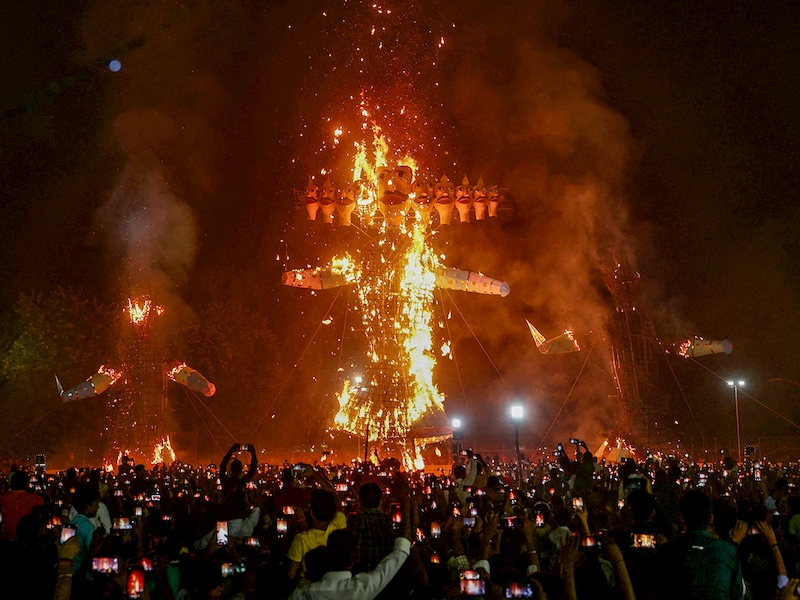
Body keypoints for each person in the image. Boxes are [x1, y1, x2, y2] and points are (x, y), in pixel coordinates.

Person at [656, 489, 744, 600]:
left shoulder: (667, 551)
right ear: (711, 518)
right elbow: (737, 594)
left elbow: (660, 591)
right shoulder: (729, 551)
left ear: (681, 517)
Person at [287, 488, 347, 583]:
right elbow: (338, 501)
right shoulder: (338, 528)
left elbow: (290, 574)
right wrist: (316, 476)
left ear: (311, 512)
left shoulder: (301, 540)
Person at [348, 482, 394, 573]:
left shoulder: (355, 522)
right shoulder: (388, 522)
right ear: (380, 500)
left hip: (361, 575)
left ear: (360, 500)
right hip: (385, 574)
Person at [0, 470, 44, 540]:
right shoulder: (33, 498)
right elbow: (45, 501)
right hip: (26, 539)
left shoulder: (2, 498)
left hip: (4, 537)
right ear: (26, 484)